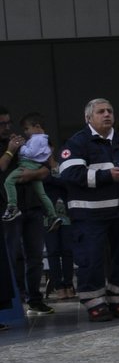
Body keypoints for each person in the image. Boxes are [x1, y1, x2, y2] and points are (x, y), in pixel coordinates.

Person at [57, 98, 119, 321]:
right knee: (91, 258)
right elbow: (70, 175)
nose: (107, 114)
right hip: (90, 214)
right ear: (88, 118)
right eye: (101, 112)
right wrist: (107, 176)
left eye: (110, 111)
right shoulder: (77, 143)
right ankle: (94, 303)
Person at [0, 109, 55, 317]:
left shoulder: (23, 141)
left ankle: (35, 299)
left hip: (32, 206)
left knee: (35, 257)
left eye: (8, 122)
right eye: (2, 124)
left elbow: (44, 169)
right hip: (8, 209)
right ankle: (15, 300)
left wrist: (33, 173)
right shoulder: (11, 145)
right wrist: (10, 150)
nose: (7, 127)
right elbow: (2, 166)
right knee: (12, 256)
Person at [3, 116, 67, 232]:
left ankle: (12, 206)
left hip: (28, 164)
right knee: (42, 194)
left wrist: (20, 147)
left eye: (27, 129)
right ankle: (53, 216)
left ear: (37, 126)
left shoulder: (38, 139)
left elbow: (31, 153)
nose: (25, 132)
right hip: (35, 165)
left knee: (8, 181)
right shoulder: (40, 139)